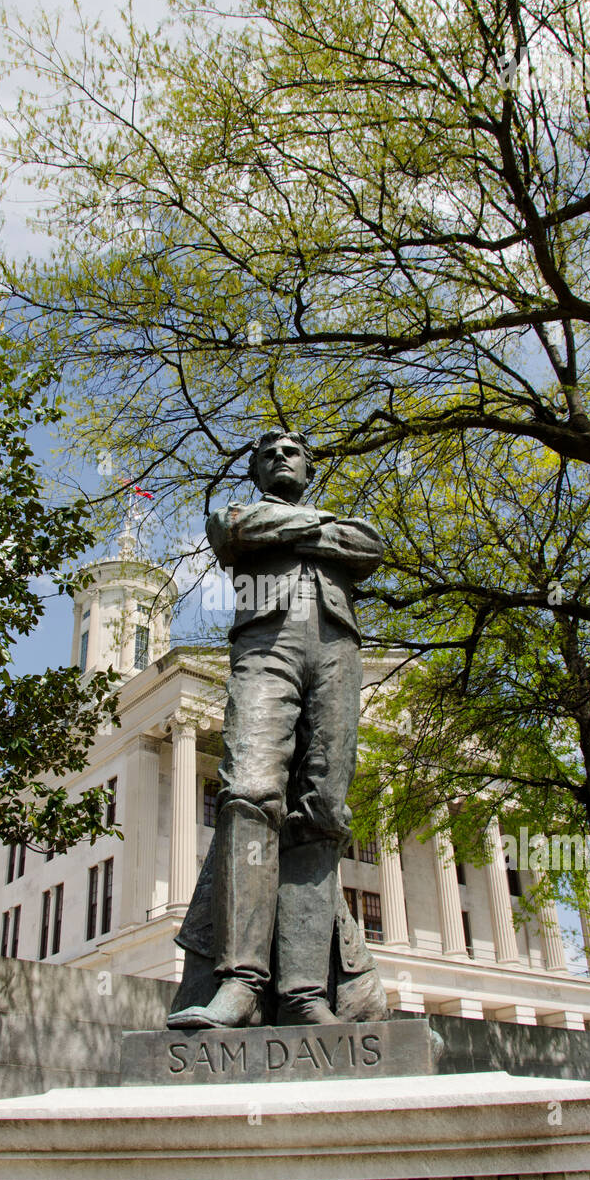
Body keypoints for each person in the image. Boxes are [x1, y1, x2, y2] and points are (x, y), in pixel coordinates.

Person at [167, 429, 385, 1029]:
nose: (281, 458)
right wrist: (320, 529)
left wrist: (301, 527)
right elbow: (237, 533)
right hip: (266, 648)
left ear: (309, 468)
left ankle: (305, 992)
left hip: (337, 649)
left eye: (293, 452)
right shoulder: (239, 514)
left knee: (323, 812)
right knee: (248, 794)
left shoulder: (331, 523)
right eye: (268, 454)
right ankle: (239, 983)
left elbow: (370, 546)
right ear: (256, 473)